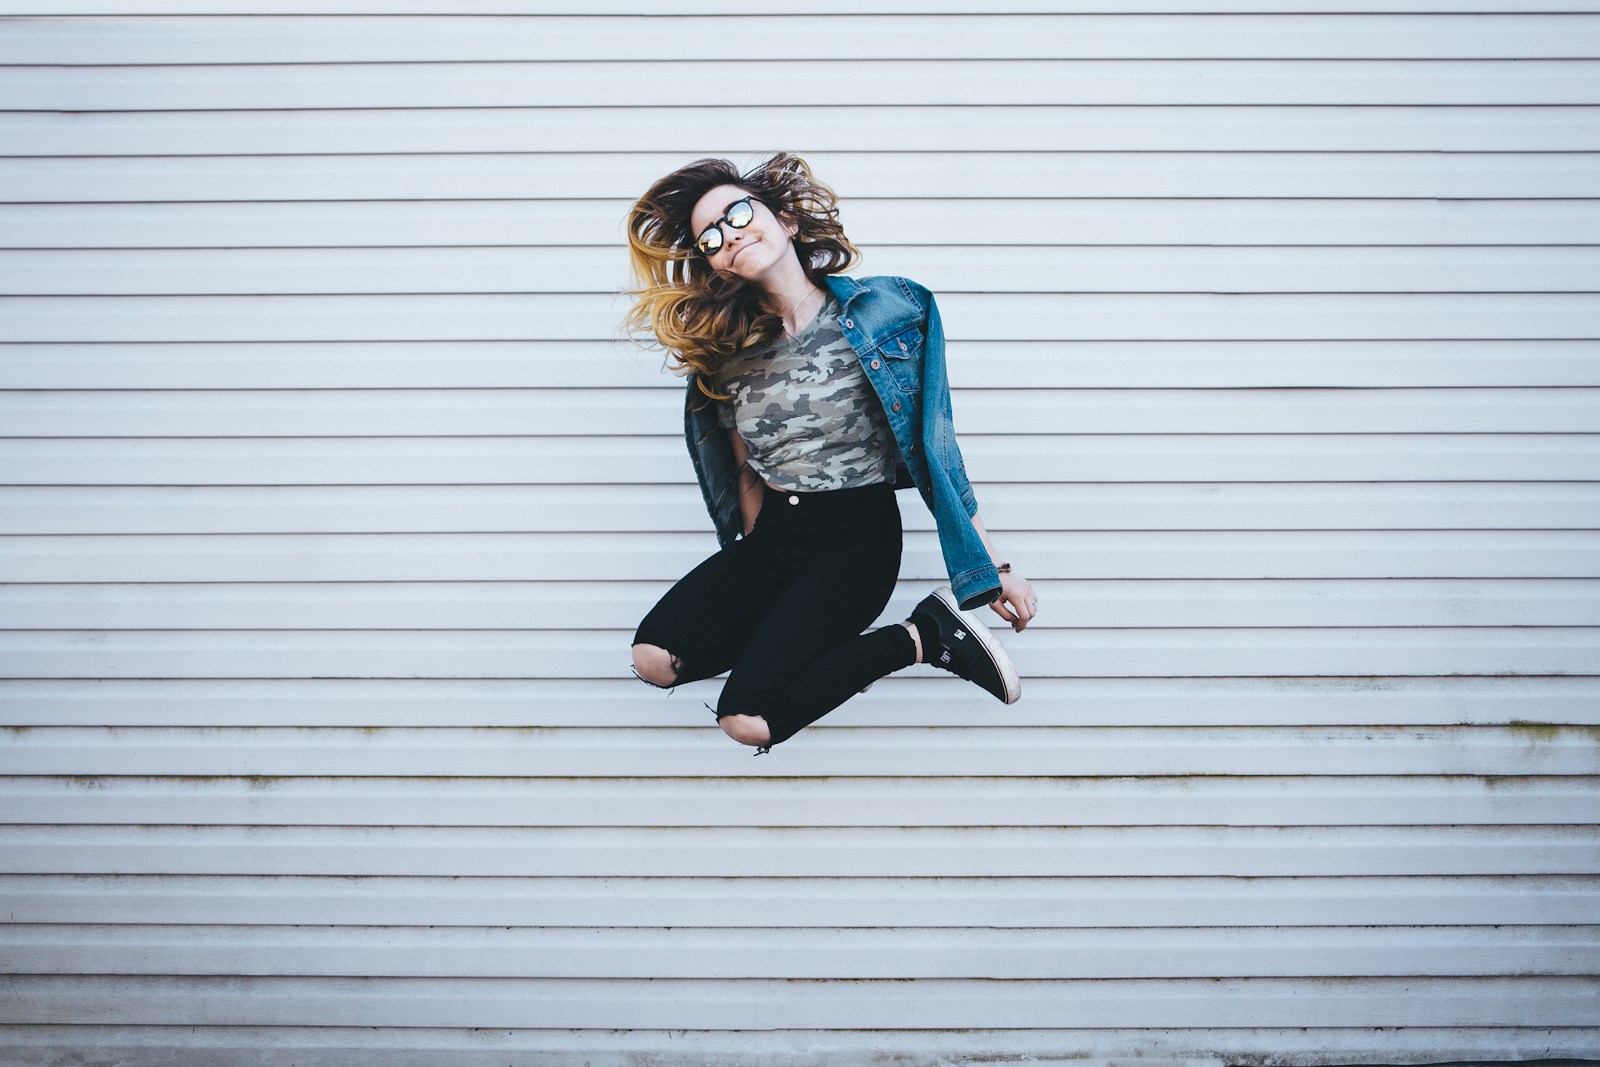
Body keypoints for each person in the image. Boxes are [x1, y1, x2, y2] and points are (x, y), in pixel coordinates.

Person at [623, 152, 1038, 754]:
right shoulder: (724, 354)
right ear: (715, 266)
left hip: (855, 542)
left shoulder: (889, 313)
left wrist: (991, 568)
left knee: (748, 722)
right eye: (710, 238)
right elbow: (739, 468)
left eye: (739, 212)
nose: (729, 235)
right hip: (775, 538)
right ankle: (822, 643)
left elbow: (937, 449)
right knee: (655, 656)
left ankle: (922, 638)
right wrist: (746, 560)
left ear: (787, 221)